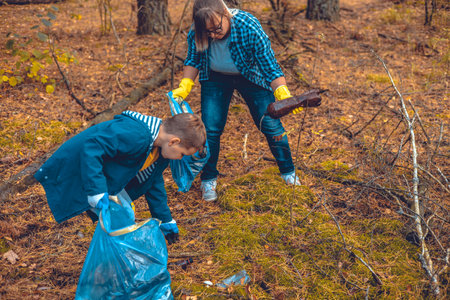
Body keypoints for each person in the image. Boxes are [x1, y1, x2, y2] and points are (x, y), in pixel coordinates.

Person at [171, 0, 301, 202]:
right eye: (208, 33)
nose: (213, 35)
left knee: (269, 124)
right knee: (211, 129)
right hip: (214, 77)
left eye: (216, 29)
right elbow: (193, 59)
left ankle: (288, 172)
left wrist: (282, 91)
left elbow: (268, 63)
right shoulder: (197, 31)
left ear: (225, 13)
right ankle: (208, 179)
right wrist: (186, 83)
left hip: (250, 75)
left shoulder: (247, 25)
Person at [34, 111, 206, 245]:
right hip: (76, 168)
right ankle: (117, 267)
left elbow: (153, 182)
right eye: (183, 154)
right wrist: (96, 190)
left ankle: (117, 265)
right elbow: (92, 147)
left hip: (103, 176)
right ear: (174, 141)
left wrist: (164, 218)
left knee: (122, 216)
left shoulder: (160, 152)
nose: (180, 159)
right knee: (120, 220)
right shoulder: (136, 135)